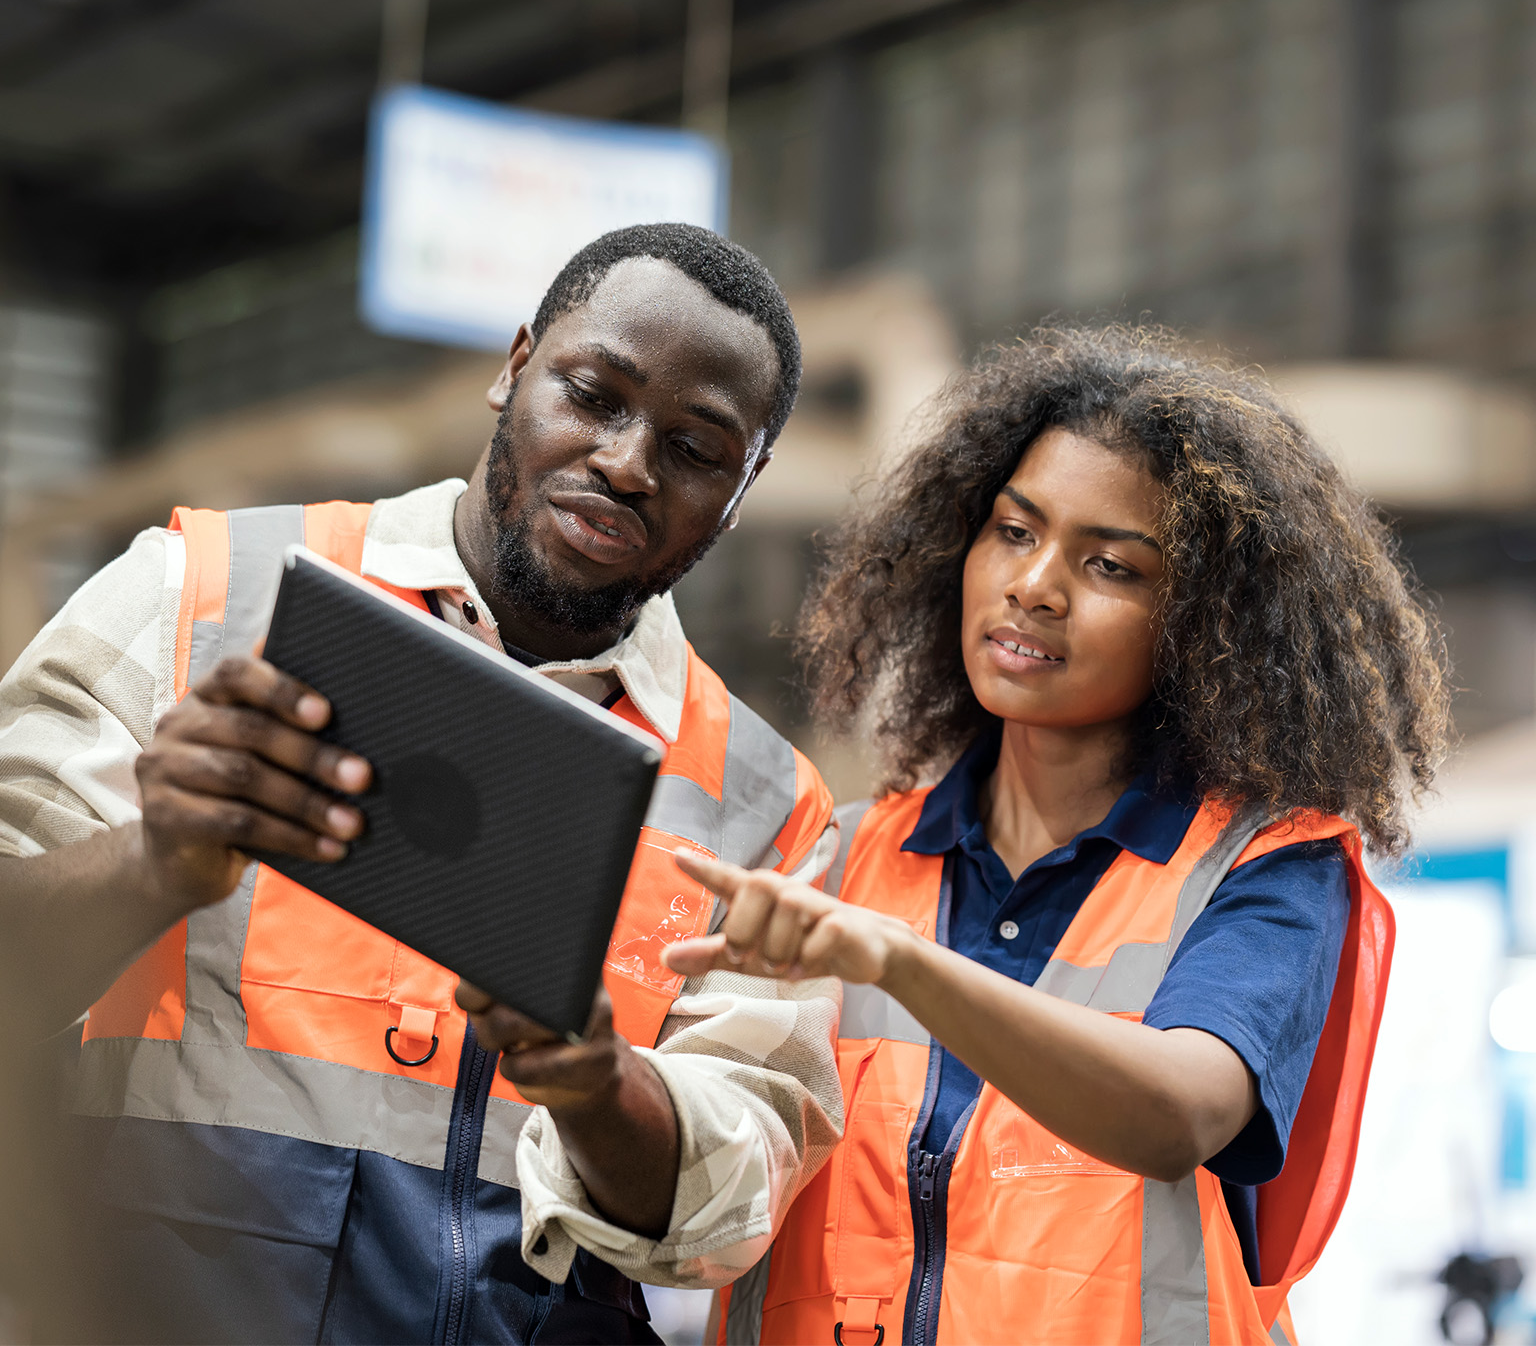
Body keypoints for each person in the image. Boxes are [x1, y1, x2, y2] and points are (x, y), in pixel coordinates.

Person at [0, 223, 845, 1345]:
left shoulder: (765, 806)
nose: (630, 462)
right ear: (514, 367)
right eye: (594, 395)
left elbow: (732, 1203)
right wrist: (151, 863)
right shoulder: (199, 598)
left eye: (695, 450)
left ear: (744, 490)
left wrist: (598, 1085)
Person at [666, 326, 1451, 1346]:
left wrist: (899, 961)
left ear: (1203, 626)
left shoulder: (1267, 871)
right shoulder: (840, 856)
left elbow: (1178, 1116)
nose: (1035, 585)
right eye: (1013, 531)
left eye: (1112, 566)